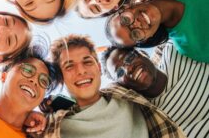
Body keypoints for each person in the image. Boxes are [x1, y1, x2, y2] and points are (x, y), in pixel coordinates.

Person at [38, 35, 184, 138]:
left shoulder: (122, 91)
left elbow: (148, 63)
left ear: (99, 69)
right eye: (69, 66)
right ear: (60, 79)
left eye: (87, 62)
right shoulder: (51, 125)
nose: (81, 70)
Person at [102, 42, 209, 138]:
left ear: (142, 53)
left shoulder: (174, 49)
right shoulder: (152, 121)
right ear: (121, 85)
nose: (129, 68)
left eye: (129, 58)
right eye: (120, 73)